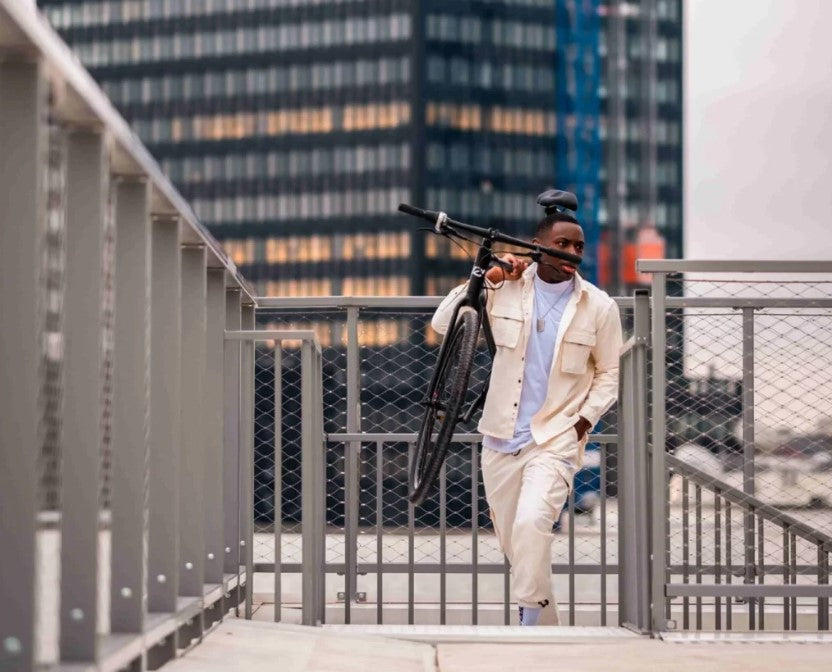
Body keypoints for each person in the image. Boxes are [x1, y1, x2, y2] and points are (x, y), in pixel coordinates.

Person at [431, 190, 623, 625]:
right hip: (500, 436)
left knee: (534, 522)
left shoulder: (599, 306)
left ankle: (527, 623)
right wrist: (489, 277)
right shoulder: (506, 287)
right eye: (562, 244)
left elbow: (610, 373)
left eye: (578, 246)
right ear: (537, 246)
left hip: (555, 437)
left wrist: (583, 422)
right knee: (516, 544)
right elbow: (444, 324)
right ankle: (545, 627)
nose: (572, 253)